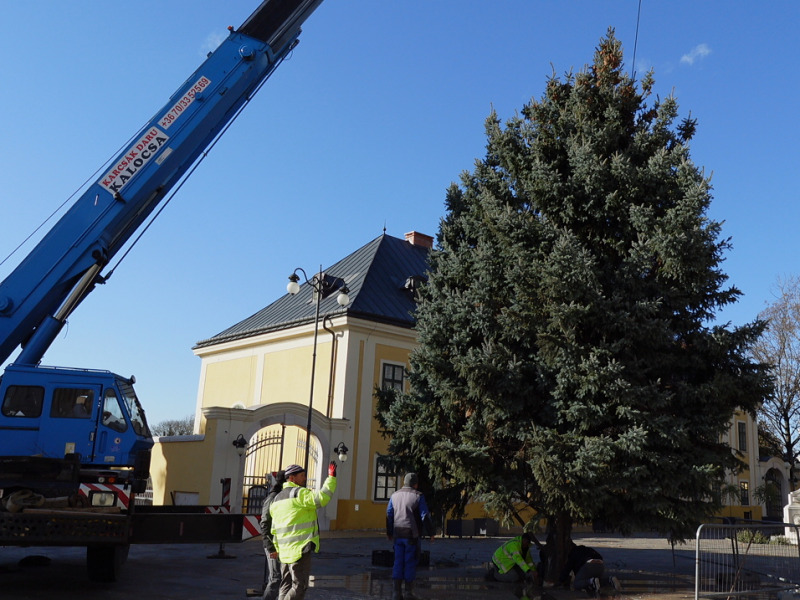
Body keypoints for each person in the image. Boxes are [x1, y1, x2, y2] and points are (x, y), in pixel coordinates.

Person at [270, 462, 337, 600]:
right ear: (292, 478)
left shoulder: (276, 499)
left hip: (284, 551)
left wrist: (276, 548)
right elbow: (321, 499)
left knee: (286, 585)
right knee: (300, 585)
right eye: (302, 475)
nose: (305, 478)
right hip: (299, 548)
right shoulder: (299, 493)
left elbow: (274, 529)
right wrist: (331, 478)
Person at [386, 472, 435, 600]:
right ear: (415, 484)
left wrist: (389, 532)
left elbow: (389, 514)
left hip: (397, 534)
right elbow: (425, 516)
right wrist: (431, 533)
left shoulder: (394, 496)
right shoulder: (418, 496)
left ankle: (396, 592)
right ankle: (408, 593)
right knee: (410, 562)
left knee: (398, 562)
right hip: (411, 536)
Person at [260, 470, 285, 600]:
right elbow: (264, 523)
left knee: (278, 578)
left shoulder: (280, 497)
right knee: (276, 579)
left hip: (280, 544)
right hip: (273, 544)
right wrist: (270, 547)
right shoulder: (273, 497)